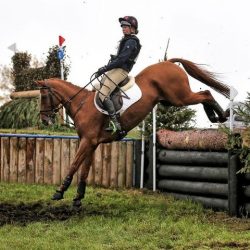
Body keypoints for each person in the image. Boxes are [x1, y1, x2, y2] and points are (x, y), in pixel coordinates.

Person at [95, 16, 141, 133]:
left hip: (121, 71)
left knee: (103, 93)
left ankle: (115, 123)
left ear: (132, 28)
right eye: (123, 26)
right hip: (116, 68)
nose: (123, 28)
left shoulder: (131, 41)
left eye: (126, 26)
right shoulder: (126, 40)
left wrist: (105, 68)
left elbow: (122, 60)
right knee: (98, 86)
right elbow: (119, 58)